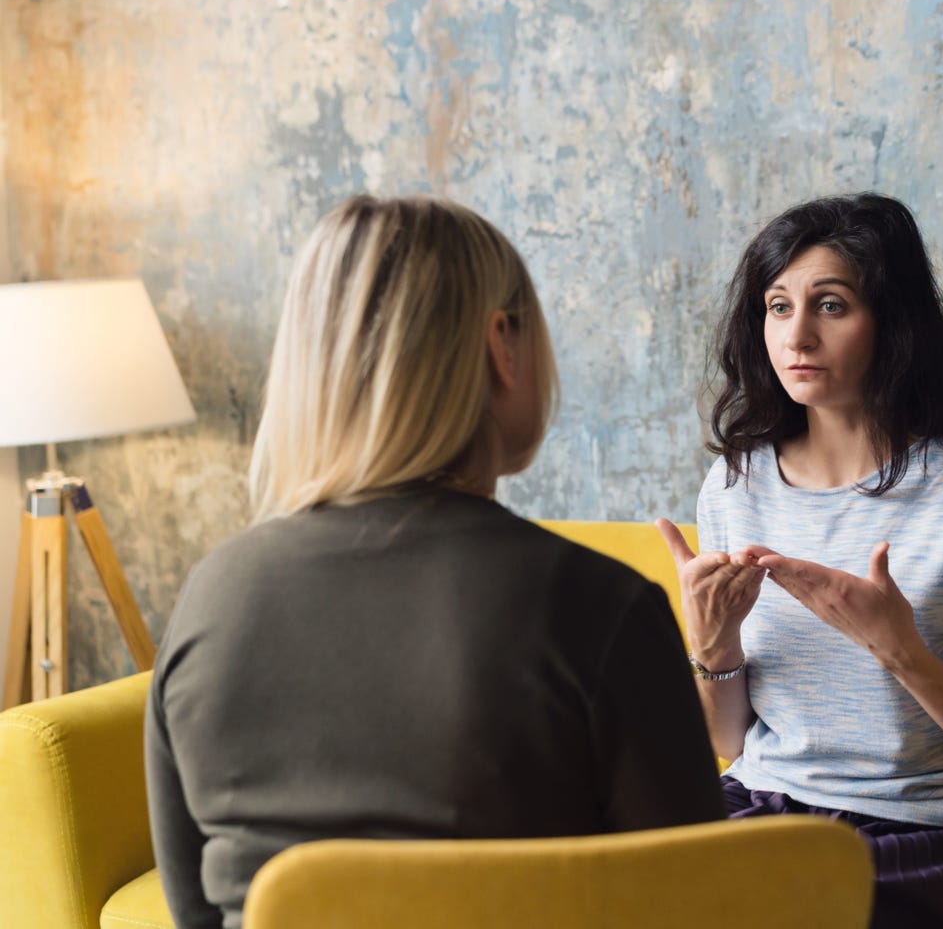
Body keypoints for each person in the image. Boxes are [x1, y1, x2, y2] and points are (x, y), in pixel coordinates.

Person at [145, 195, 724, 929]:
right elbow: (700, 905)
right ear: (501, 346)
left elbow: (193, 910)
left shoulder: (210, 596)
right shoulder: (600, 606)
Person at [656, 192, 943, 929]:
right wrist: (713, 643)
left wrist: (901, 651)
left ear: (892, 321)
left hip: (935, 832)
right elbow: (725, 739)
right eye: (778, 307)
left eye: (831, 305)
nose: (798, 335)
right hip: (766, 806)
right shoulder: (734, 484)